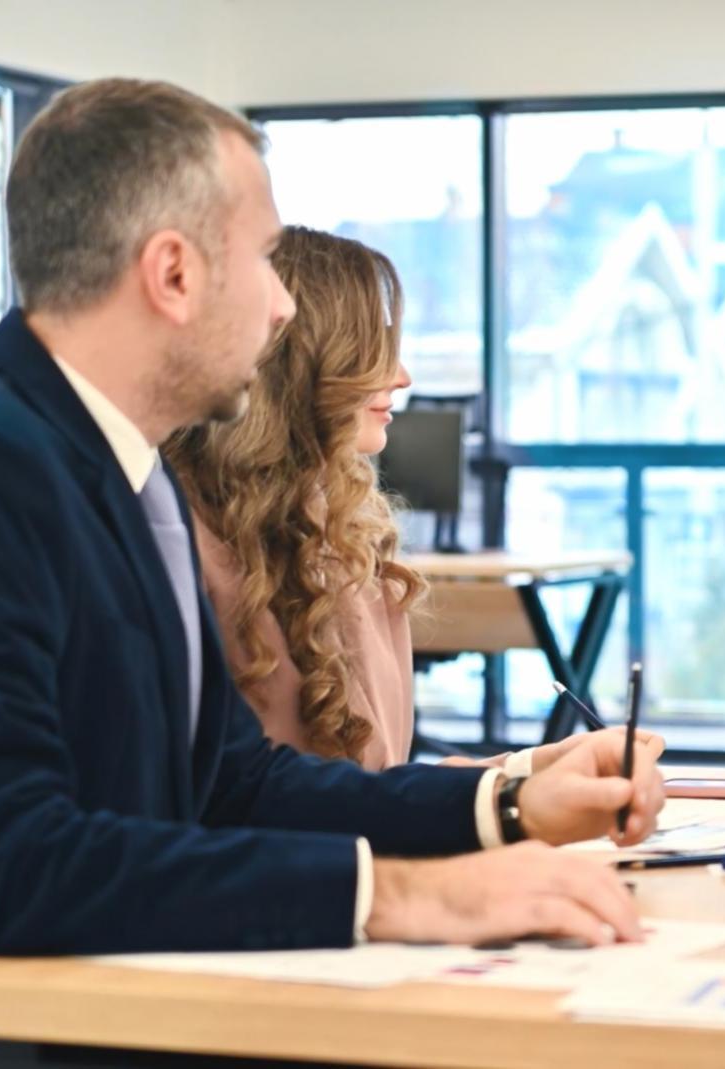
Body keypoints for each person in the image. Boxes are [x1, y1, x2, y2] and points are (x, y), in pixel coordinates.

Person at [0, 78, 663, 1053]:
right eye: (266, 260)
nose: (282, 307)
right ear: (174, 275)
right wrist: (405, 897)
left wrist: (508, 801)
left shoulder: (125, 468)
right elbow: (0, 864)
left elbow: (230, 783)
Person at [163, 226, 643, 774]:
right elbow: (297, 804)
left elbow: (376, 791)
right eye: (374, 352)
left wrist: (530, 771)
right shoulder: (184, 544)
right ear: (307, 359)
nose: (402, 377)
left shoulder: (344, 538)